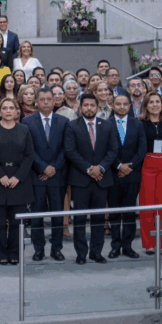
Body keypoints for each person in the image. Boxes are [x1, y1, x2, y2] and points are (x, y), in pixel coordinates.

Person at [64, 93, 119, 265]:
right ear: (81, 108)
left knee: (98, 218)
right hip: (81, 179)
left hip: (102, 179)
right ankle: (81, 253)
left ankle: (96, 252)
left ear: (97, 107)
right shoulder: (72, 126)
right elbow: (70, 151)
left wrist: (100, 168)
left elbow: (113, 150)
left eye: (92, 105)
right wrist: (89, 169)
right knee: (80, 219)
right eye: (85, 105)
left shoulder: (107, 125)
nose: (89, 108)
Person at [0, 99, 34, 265]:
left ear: (17, 111)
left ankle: (15, 253)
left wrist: (17, 177)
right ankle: (0, 254)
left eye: (11, 108)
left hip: (18, 181)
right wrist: (0, 176)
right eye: (4, 108)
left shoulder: (24, 130)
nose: (8, 110)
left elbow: (29, 156)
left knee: (16, 222)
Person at [22, 87, 68, 261]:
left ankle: (57, 248)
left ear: (54, 100)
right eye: (42, 99)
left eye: (49, 99)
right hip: (37, 175)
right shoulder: (27, 122)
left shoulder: (63, 122)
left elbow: (67, 149)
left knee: (57, 214)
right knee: (37, 215)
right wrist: (42, 168)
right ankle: (38, 248)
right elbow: (28, 150)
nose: (46, 102)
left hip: (57, 175)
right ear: (37, 101)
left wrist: (53, 168)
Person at [107, 94, 146, 259]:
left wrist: (129, 167)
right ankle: (115, 245)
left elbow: (142, 149)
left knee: (129, 212)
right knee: (115, 212)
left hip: (132, 174)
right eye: (118, 104)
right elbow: (105, 149)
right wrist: (118, 166)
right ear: (113, 106)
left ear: (130, 107)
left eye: (125, 104)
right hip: (113, 175)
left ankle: (127, 246)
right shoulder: (106, 125)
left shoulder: (138, 124)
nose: (122, 107)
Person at [138, 92, 162, 255]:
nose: (155, 105)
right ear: (146, 105)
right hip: (146, 165)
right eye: (151, 102)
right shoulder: (140, 123)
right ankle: (148, 244)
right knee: (147, 207)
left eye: (158, 102)